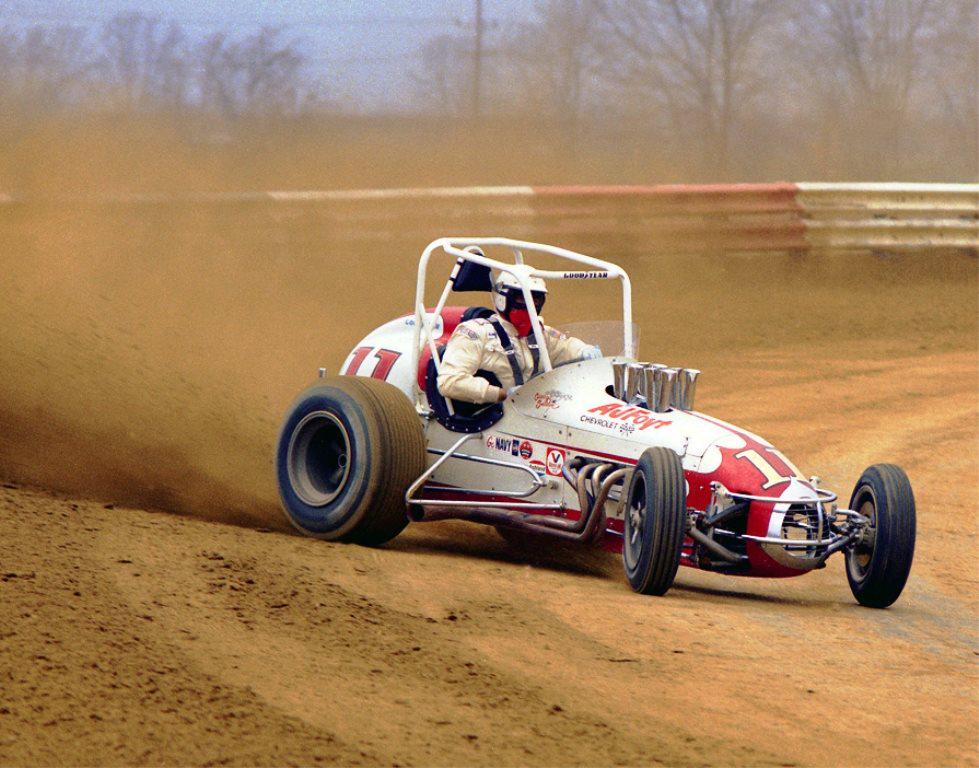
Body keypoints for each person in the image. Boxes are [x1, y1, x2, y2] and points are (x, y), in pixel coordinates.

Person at [437, 266, 602, 404]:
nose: (530, 305)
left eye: (535, 300)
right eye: (522, 299)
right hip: (492, 417)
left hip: (535, 411)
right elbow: (449, 382)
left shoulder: (540, 333)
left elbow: (567, 347)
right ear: (503, 299)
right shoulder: (474, 333)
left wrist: (586, 352)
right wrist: (501, 394)